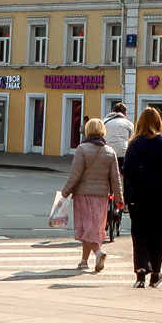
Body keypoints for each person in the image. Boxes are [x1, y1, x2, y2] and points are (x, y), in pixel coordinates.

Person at [122, 106, 162, 287]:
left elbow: (127, 173)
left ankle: (140, 274)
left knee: (139, 236)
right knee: (157, 237)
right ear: (158, 122)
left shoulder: (134, 144)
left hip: (138, 198)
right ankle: (156, 273)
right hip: (161, 198)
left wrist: (126, 198)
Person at [60, 117, 124, 273]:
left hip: (83, 195)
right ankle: (83, 261)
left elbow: (75, 175)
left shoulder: (82, 149)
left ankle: (98, 252)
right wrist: (119, 199)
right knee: (93, 228)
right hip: (102, 196)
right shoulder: (110, 151)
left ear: (88, 130)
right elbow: (116, 178)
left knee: (86, 228)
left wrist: (65, 192)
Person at [105, 101, 135, 243]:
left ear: (112, 111)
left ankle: (105, 204)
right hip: (123, 156)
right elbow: (132, 140)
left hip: (107, 154)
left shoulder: (105, 121)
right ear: (124, 113)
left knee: (106, 180)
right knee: (127, 178)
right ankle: (127, 203)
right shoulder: (128, 123)